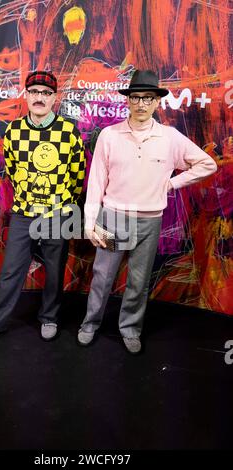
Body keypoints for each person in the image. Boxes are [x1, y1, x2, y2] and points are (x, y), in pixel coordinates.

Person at [78, 69, 217, 353]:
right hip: (113, 218)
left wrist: (171, 182)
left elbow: (207, 164)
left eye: (148, 98)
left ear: (157, 103)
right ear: (128, 101)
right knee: (103, 276)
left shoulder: (170, 138)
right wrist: (90, 222)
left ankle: (130, 329)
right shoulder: (109, 135)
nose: (141, 103)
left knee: (139, 281)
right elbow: (96, 181)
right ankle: (89, 324)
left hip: (149, 222)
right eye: (137, 97)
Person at [0, 70, 85, 347]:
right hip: (23, 213)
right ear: (27, 95)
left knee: (55, 269)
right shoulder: (14, 130)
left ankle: (49, 318)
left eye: (46, 93)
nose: (40, 98)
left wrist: (63, 204)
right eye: (34, 92)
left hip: (56, 214)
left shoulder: (69, 131)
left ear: (54, 98)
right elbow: (11, 170)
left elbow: (78, 175)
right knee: (11, 270)